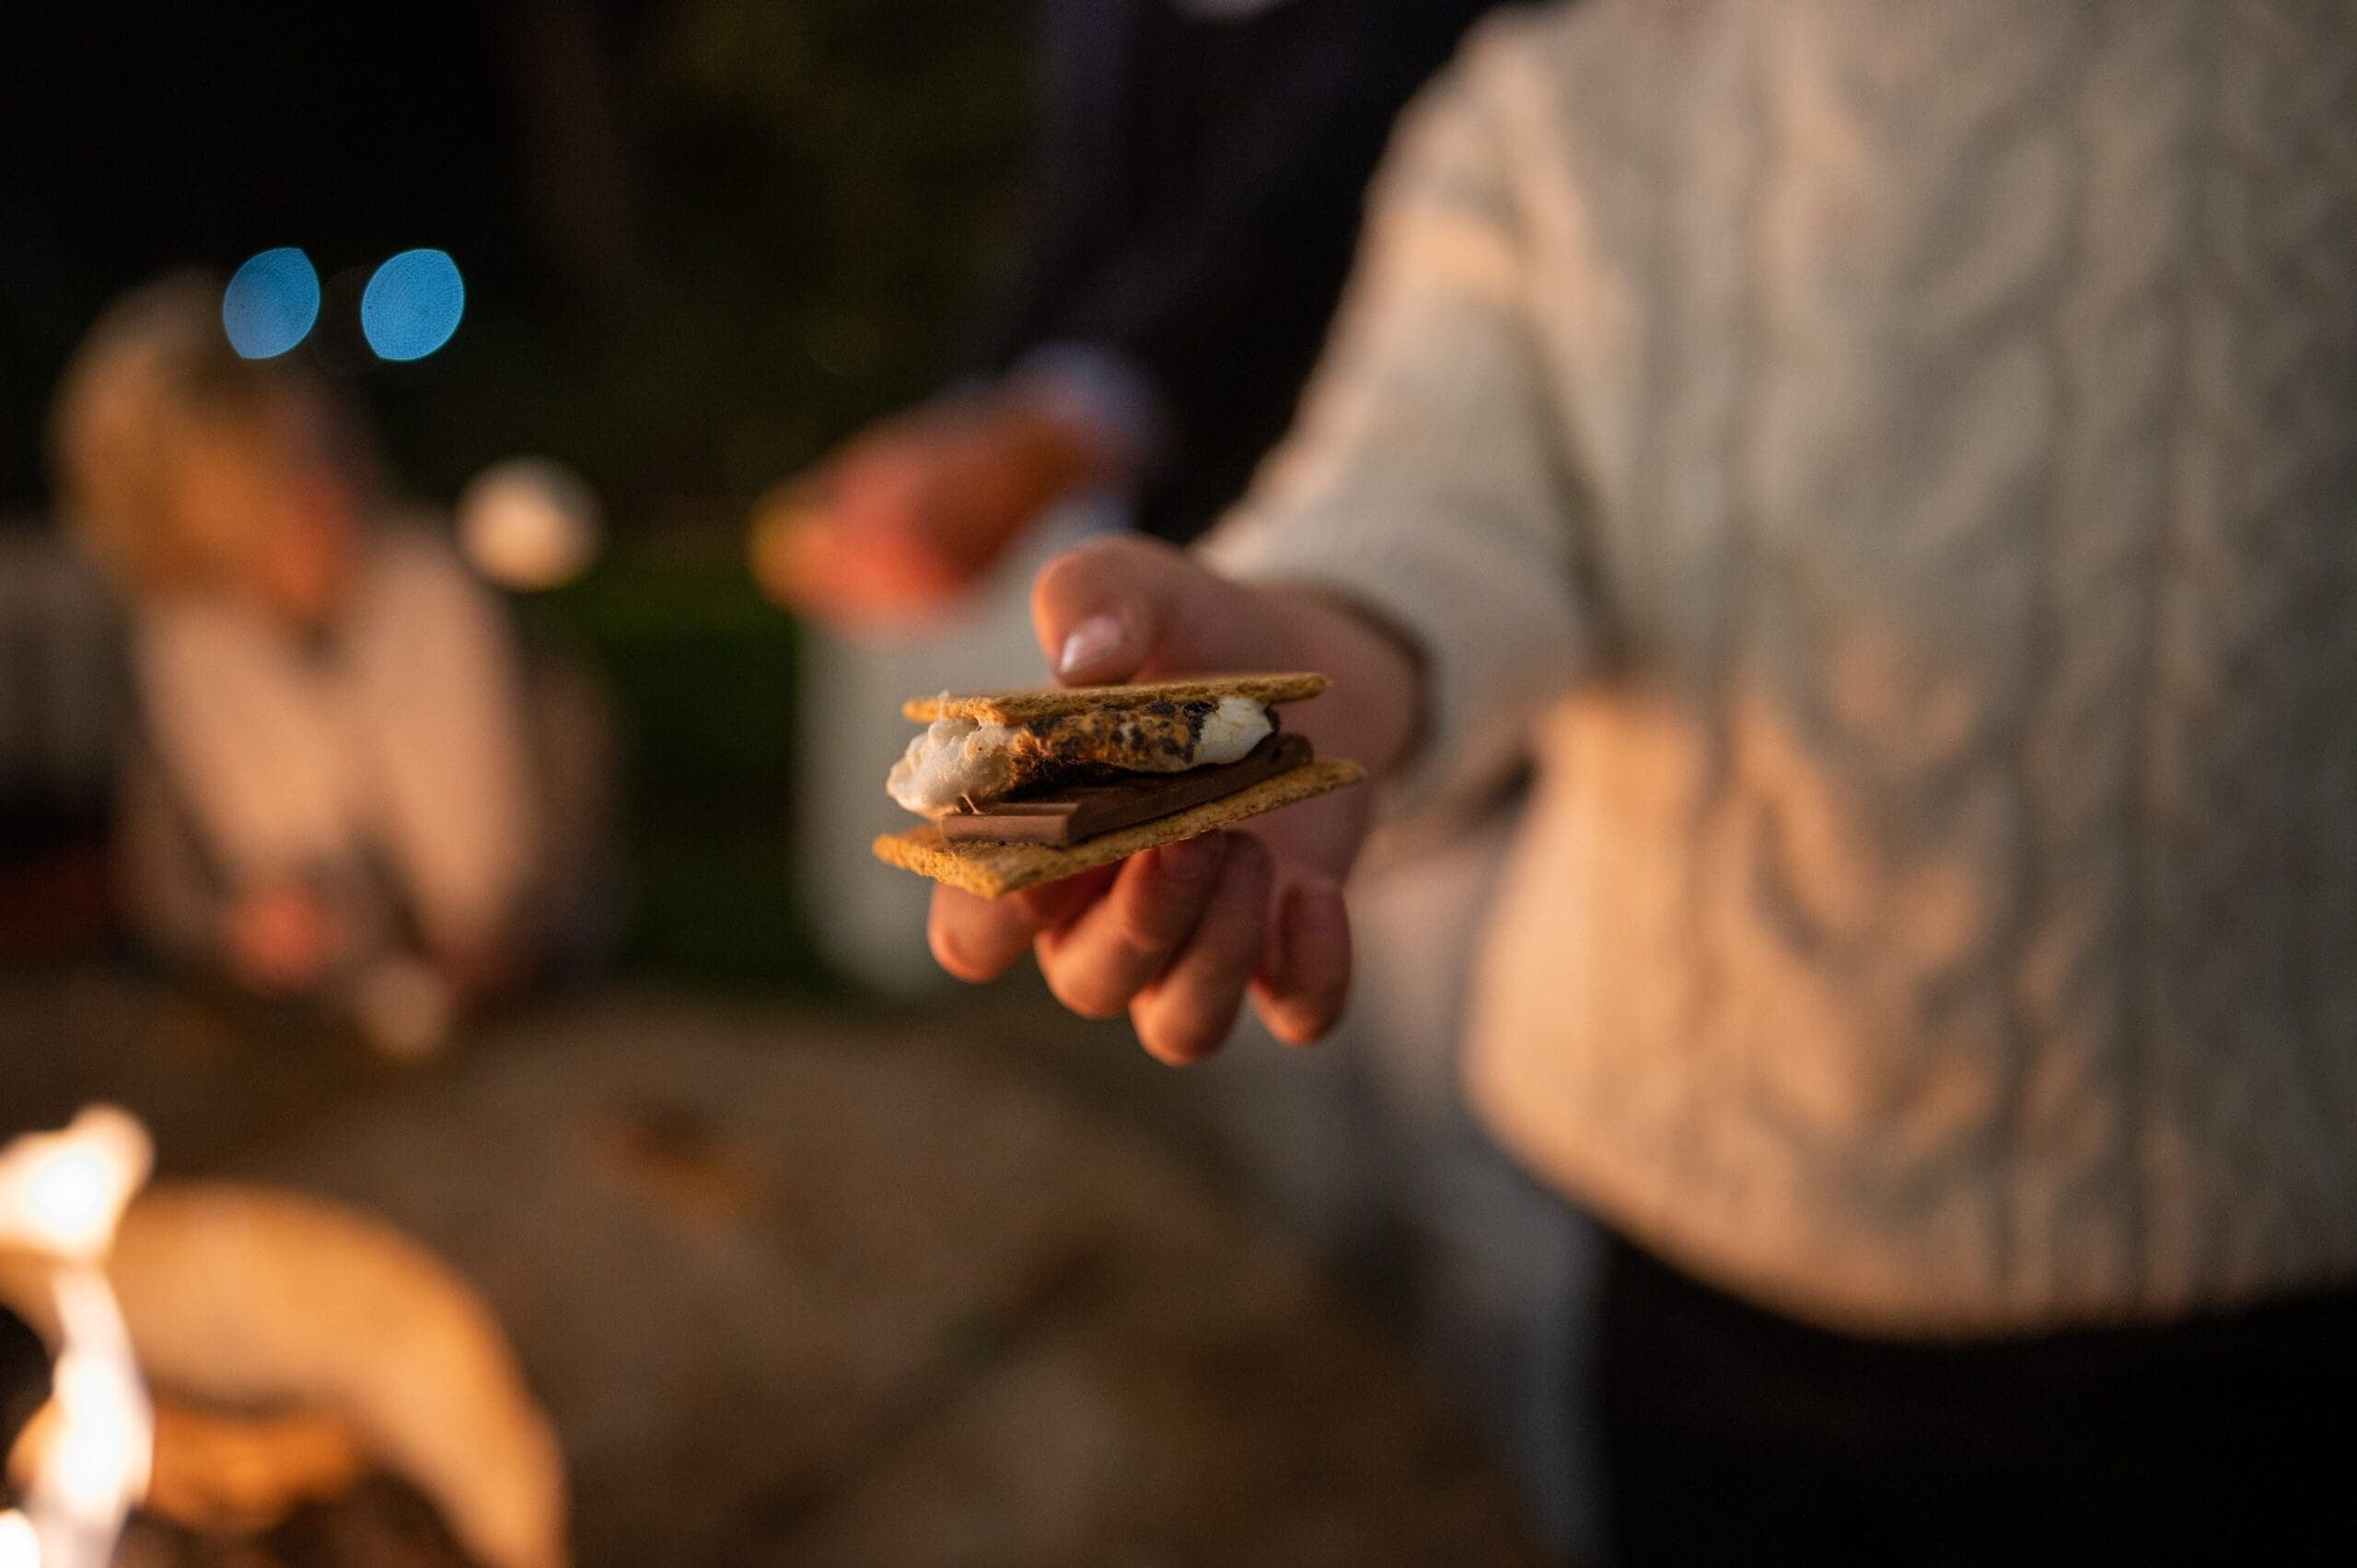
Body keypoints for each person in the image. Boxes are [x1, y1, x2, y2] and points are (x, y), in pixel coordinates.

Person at [923, 1, 2357, 1559]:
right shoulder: (1561, 103)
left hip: (2269, 1294)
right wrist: (1275, 674)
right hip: (1685, 1265)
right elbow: (1427, 512)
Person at [756, 0, 1511, 630]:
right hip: (1189, 539)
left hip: (1439, 543)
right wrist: (973, 423)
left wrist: (1041, 439)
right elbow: (1083, 205)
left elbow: (1325, 176)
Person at [48, 276, 609, 1051]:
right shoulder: (184, 660)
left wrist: (519, 937)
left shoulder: (457, 601)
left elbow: (579, 819)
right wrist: (244, 930)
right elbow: (168, 886)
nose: (323, 492)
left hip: (536, 1032)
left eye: (320, 452)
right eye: (280, 484)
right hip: (312, 1052)